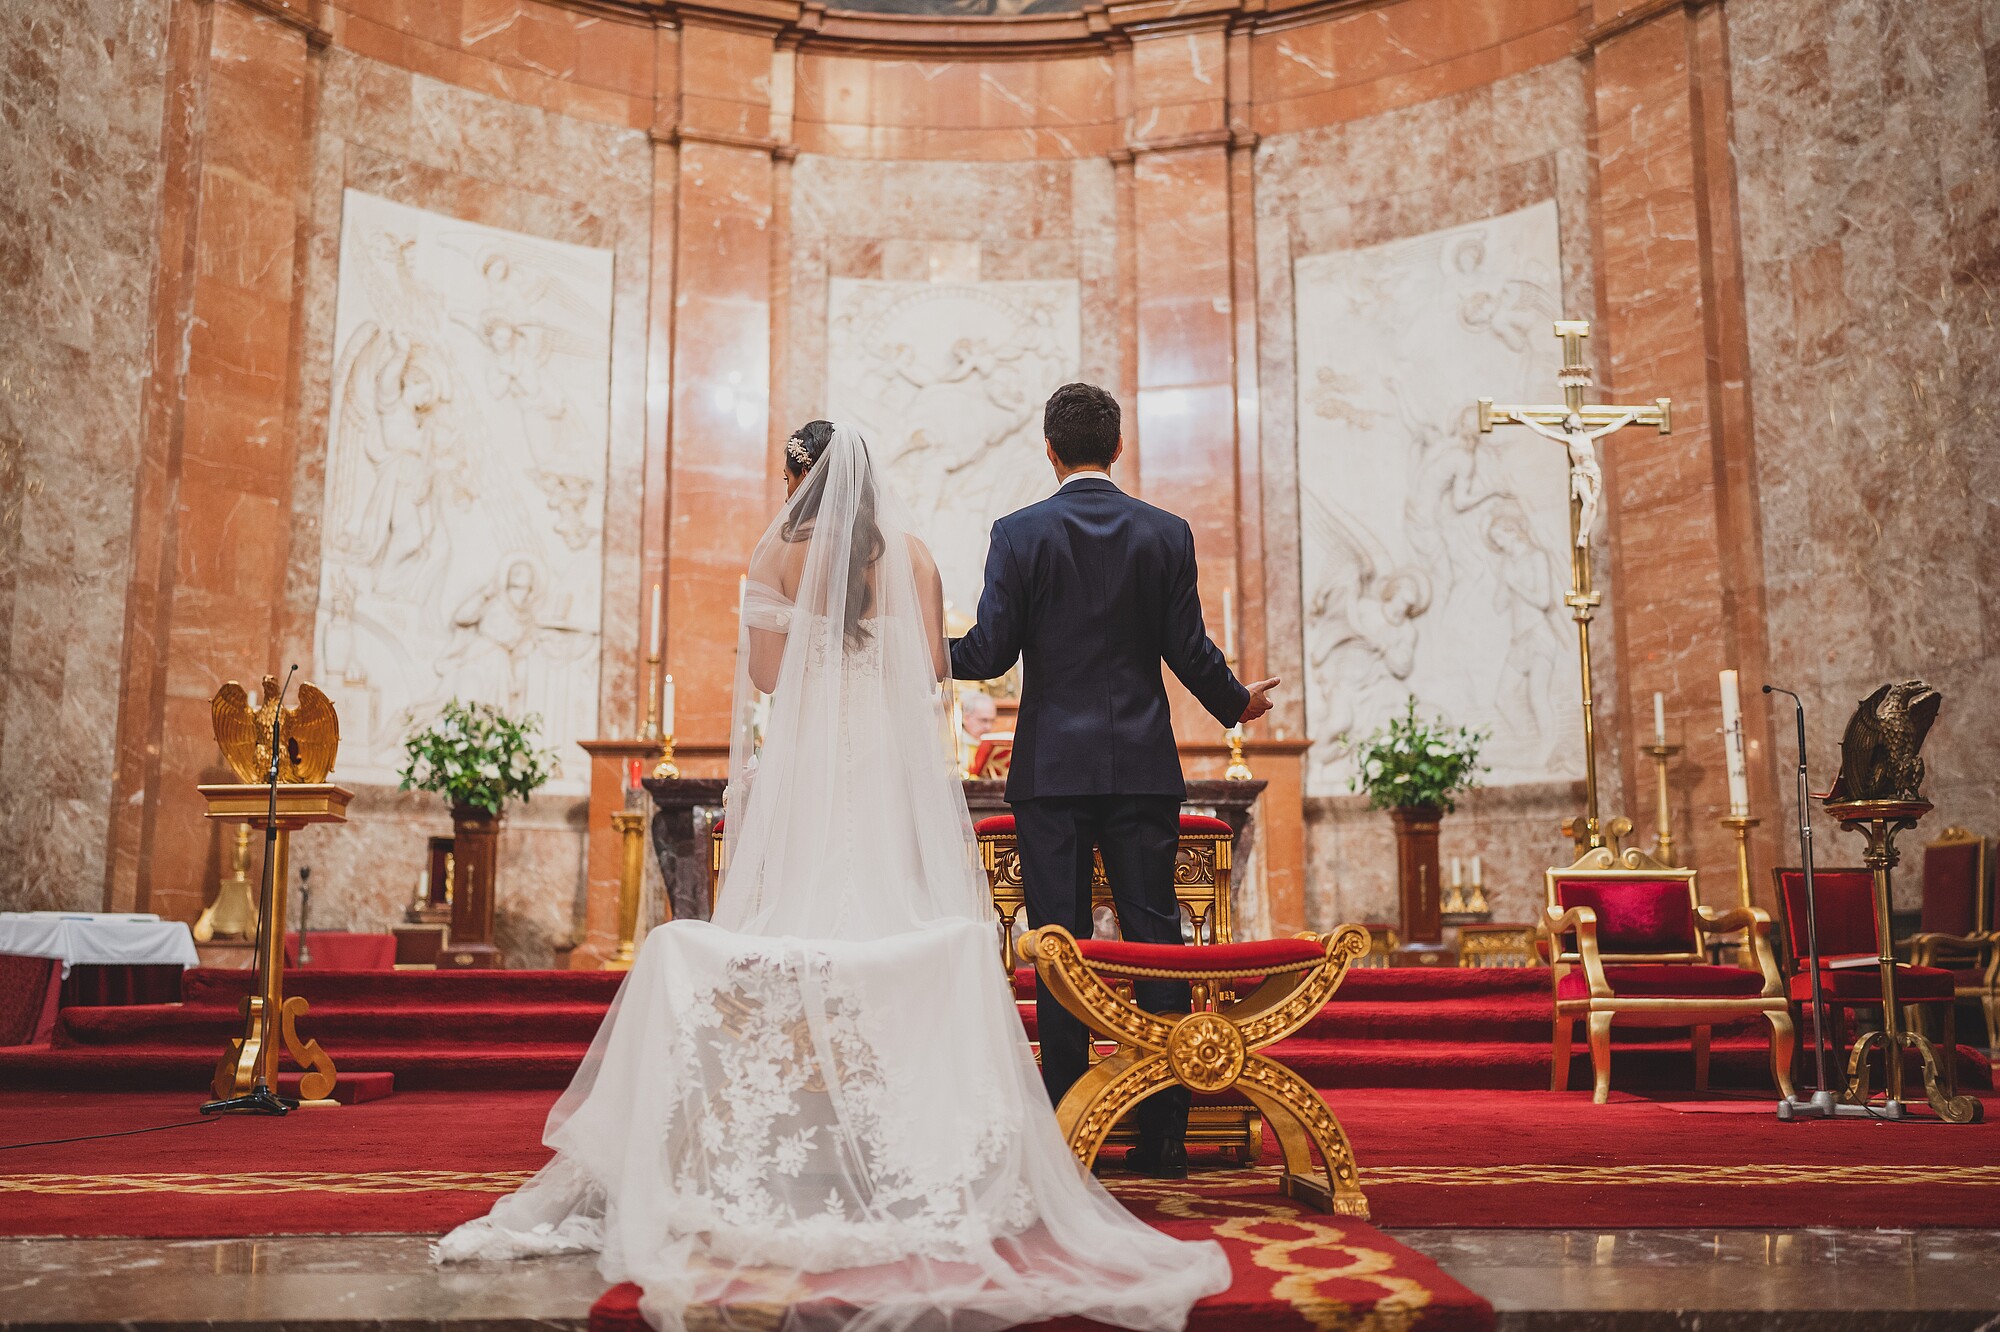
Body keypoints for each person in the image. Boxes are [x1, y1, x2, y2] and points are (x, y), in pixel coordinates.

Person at [435, 420, 1230, 1332]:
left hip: (814, 768)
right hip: (898, 769)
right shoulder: (920, 558)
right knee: (1012, 927)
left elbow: (769, 678)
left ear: (798, 480)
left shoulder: (776, 554)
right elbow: (936, 668)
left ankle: (793, 1144)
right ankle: (1057, 1133)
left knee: (798, 922)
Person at [950, 384, 1279, 1179]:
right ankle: (1163, 1132)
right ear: (1118, 448)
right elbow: (1186, 646)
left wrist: (916, 648)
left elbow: (989, 652)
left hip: (1051, 774)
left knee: (1058, 944)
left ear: (1049, 449)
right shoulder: (1164, 533)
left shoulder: (1018, 533)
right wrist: (1236, 702)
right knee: (1155, 944)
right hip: (1140, 768)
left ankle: (1071, 1131)